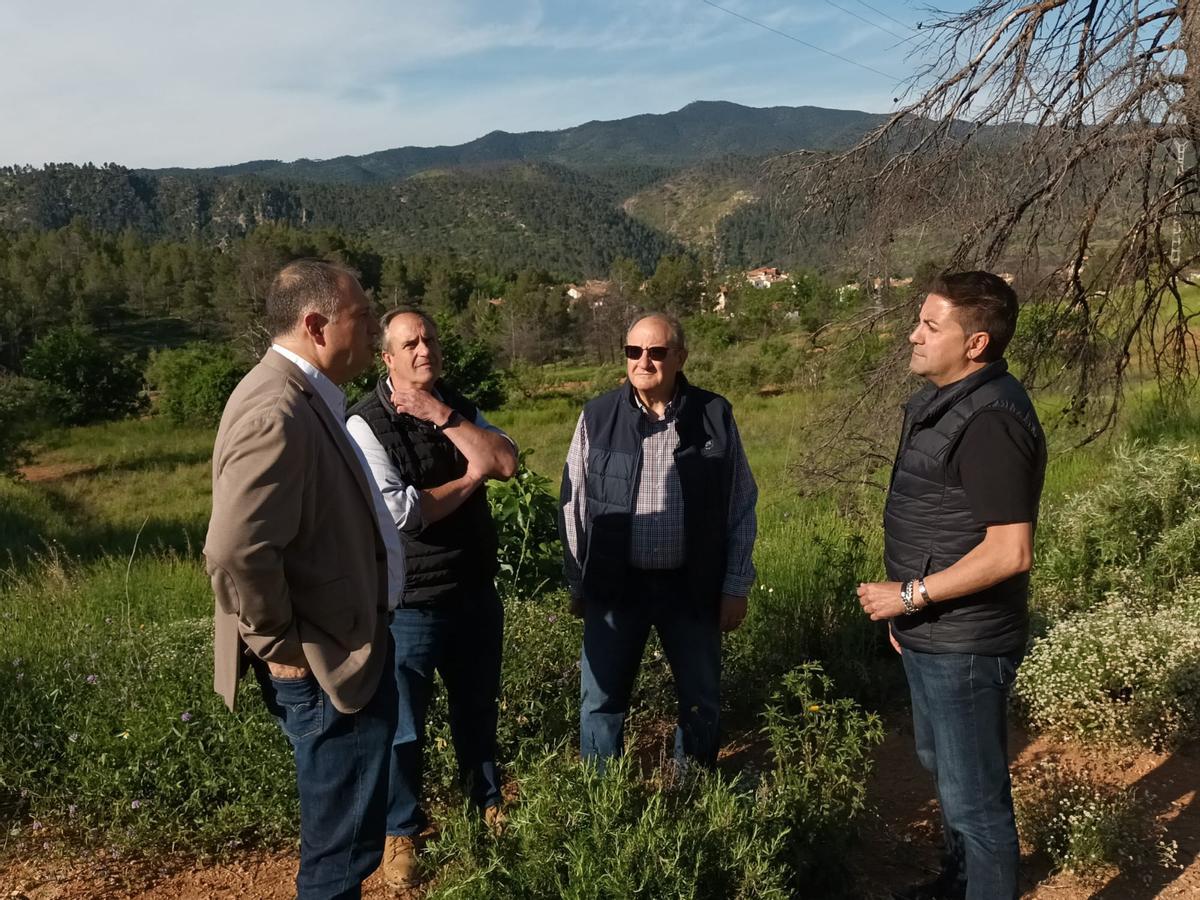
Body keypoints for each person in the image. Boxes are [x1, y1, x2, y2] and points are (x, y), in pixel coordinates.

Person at [204, 260, 405, 900]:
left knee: (342, 844)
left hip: (333, 647)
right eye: (363, 319)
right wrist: (283, 646)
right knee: (338, 857)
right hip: (322, 661)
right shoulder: (278, 410)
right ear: (316, 325)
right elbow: (236, 550)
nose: (373, 333)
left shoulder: (301, 397)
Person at [857, 272, 1047, 900]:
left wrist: (908, 597)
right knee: (946, 775)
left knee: (976, 802)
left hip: (966, 642)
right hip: (934, 633)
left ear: (976, 343)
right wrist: (908, 618)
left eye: (931, 326)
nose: (913, 335)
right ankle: (957, 885)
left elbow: (1009, 550)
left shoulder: (991, 419)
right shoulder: (946, 404)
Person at [346, 308, 517, 891]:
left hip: (474, 593)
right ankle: (400, 831)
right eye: (409, 343)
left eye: (430, 339)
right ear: (386, 358)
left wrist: (444, 416)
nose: (424, 350)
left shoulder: (456, 405)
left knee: (478, 710)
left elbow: (509, 462)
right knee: (403, 727)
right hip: (411, 604)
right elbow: (400, 515)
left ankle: (486, 807)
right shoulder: (364, 425)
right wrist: (473, 478)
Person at [560, 312, 758, 769]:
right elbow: (575, 506)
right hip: (615, 586)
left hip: (691, 585)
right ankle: (601, 800)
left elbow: (741, 503)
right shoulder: (597, 416)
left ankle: (695, 794)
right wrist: (578, 583)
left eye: (656, 351)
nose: (643, 361)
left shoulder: (714, 415)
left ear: (681, 357)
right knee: (600, 702)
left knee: (700, 699)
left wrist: (735, 585)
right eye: (634, 351)